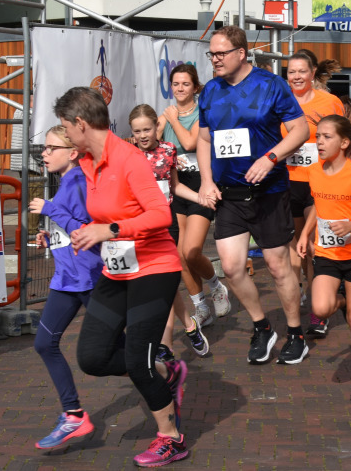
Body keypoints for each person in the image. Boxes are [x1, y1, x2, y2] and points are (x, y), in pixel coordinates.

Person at [54, 87, 187, 467]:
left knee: (137, 361)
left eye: (66, 127)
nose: (66, 135)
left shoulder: (128, 159)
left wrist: (110, 229)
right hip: (118, 269)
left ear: (81, 124)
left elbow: (160, 214)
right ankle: (166, 371)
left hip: (155, 268)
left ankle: (171, 438)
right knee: (92, 357)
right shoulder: (88, 161)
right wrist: (81, 231)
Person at [196, 26, 310, 365]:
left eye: (221, 53)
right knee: (232, 268)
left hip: (268, 192)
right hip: (229, 194)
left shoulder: (270, 84)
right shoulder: (210, 90)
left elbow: (301, 129)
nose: (215, 59)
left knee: (277, 267)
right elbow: (204, 139)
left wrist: (271, 157)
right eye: (212, 54)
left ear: (241, 53)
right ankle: (262, 326)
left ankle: (295, 333)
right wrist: (206, 181)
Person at [296, 116, 351, 401]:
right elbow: (318, 206)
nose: (319, 142)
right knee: (320, 308)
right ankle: (341, 300)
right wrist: (305, 234)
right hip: (327, 253)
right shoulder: (314, 171)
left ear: (344, 143)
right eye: (318, 136)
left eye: (326, 137)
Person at [28, 126, 103, 448]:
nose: (44, 154)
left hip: (88, 279)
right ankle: (73, 415)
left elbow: (87, 230)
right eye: (44, 149)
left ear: (72, 153)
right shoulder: (65, 182)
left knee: (112, 351)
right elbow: (67, 230)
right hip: (65, 281)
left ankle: (160, 374)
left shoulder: (79, 181)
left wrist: (50, 210)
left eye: (51, 148)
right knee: (44, 344)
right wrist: (49, 235)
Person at [129, 105, 209, 359]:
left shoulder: (168, 150)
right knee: (160, 285)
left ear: (157, 127)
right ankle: (189, 325)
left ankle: (166, 347)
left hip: (165, 224)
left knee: (162, 283)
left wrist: (200, 197)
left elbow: (174, 186)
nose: (143, 135)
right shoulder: (128, 155)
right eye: (137, 131)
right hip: (139, 227)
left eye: (147, 129)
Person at [158, 64, 231, 331]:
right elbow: (153, 141)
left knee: (191, 250)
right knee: (179, 256)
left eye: (185, 84)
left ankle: (216, 285)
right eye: (176, 84)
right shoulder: (166, 114)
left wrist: (173, 119)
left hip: (201, 183)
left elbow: (190, 143)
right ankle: (201, 307)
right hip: (176, 185)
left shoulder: (202, 112)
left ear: (195, 87)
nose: (180, 89)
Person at [281, 49, 346, 336]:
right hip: (287, 181)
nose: (296, 76)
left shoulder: (329, 102)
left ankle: (317, 311)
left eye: (302, 71)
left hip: (318, 182)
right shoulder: (280, 102)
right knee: (296, 245)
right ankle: (302, 296)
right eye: (291, 72)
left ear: (312, 73)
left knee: (312, 243)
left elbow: (344, 139)